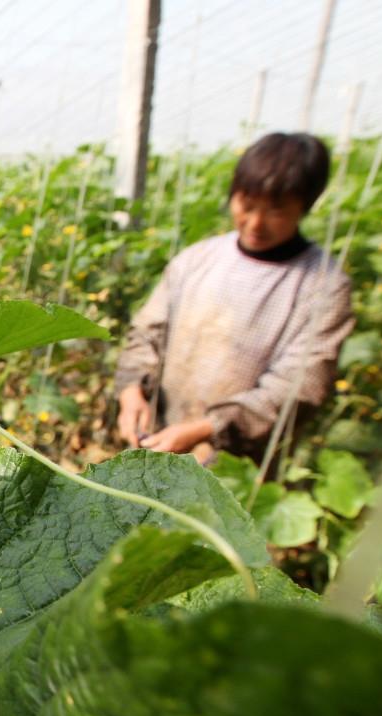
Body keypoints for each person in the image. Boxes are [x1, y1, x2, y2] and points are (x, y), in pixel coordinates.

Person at [113, 132, 356, 467]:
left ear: (306, 207)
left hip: (240, 462)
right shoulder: (196, 260)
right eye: (247, 205)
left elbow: (298, 386)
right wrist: (131, 393)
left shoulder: (323, 285)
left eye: (276, 211)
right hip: (157, 438)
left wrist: (208, 428)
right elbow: (146, 334)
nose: (255, 223)